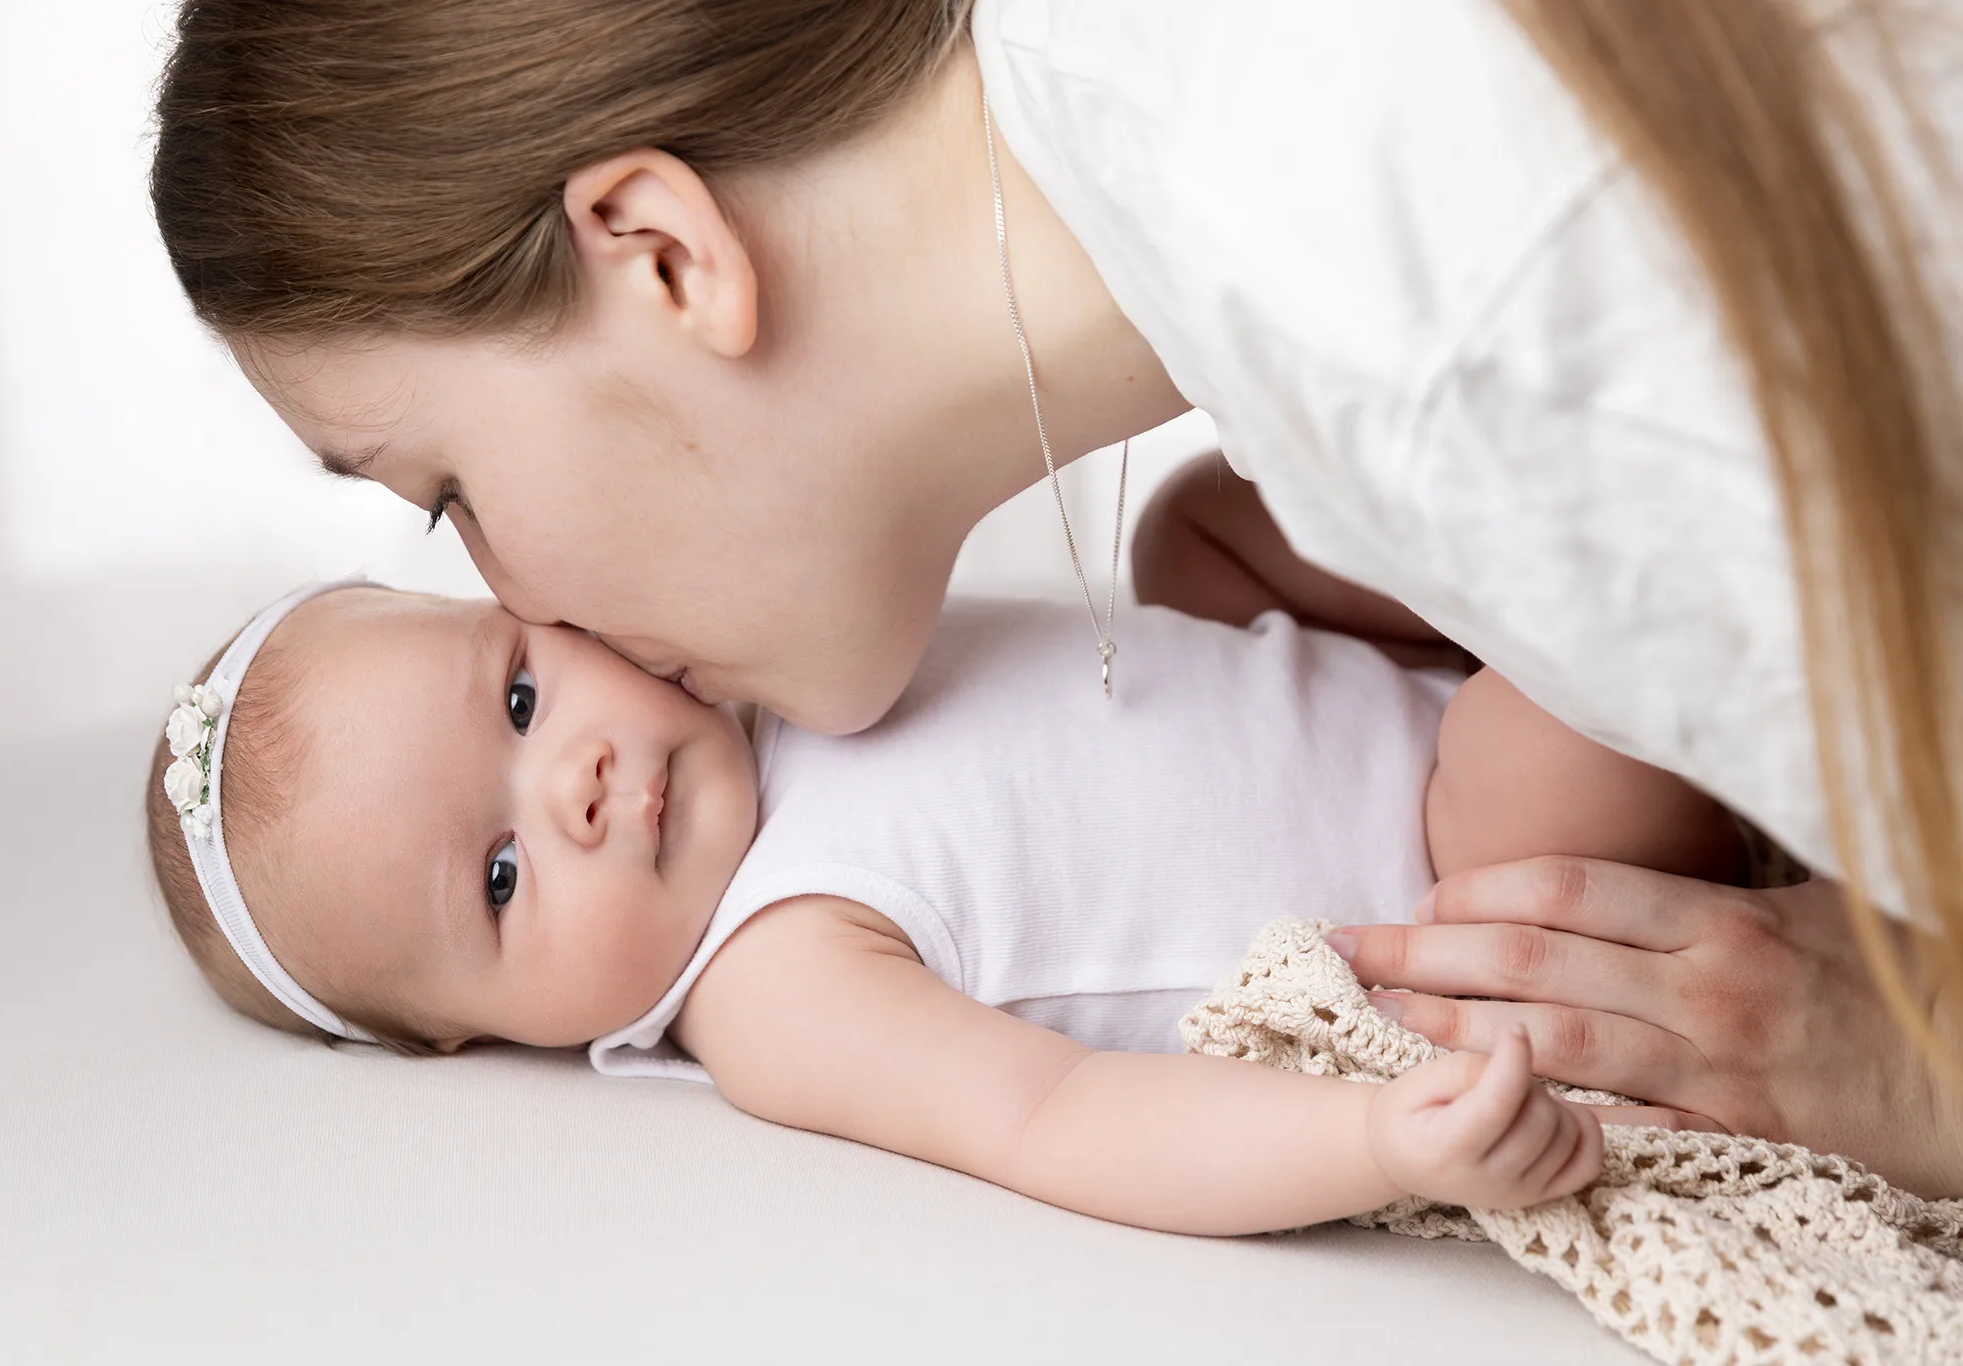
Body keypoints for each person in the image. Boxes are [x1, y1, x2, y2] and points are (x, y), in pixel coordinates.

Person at [147, 0, 1963, 1194]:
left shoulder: (1454, 350)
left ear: (661, 251)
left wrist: (1919, 1061)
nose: (529, 606)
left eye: (448, 495)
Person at [146, 581, 1733, 1233]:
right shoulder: (778, 978)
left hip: (1363, 685)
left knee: (1205, 505)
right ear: (468, 1037)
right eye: (500, 879)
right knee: (1600, 637)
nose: (568, 780)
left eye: (514, 690)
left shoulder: (753, 658)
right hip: (1469, 874)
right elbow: (1056, 1118)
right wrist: (1380, 1145)